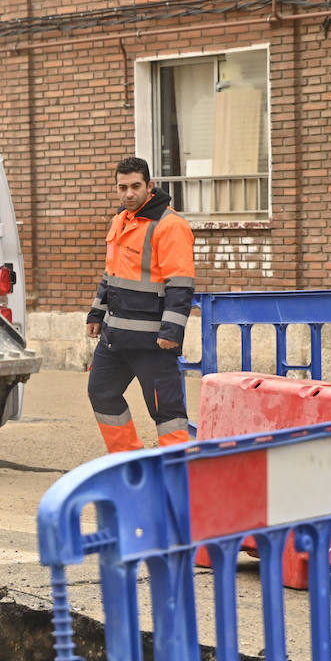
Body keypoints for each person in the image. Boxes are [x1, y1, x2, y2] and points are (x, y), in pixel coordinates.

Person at [86, 156, 195, 453]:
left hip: (153, 342)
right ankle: (129, 462)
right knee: (101, 393)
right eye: (122, 187)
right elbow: (112, 275)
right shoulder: (119, 221)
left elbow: (180, 284)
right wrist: (96, 312)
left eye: (135, 186)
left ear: (150, 186)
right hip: (115, 337)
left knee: (167, 412)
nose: (129, 193)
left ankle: (177, 473)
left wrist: (171, 333)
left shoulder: (171, 226)